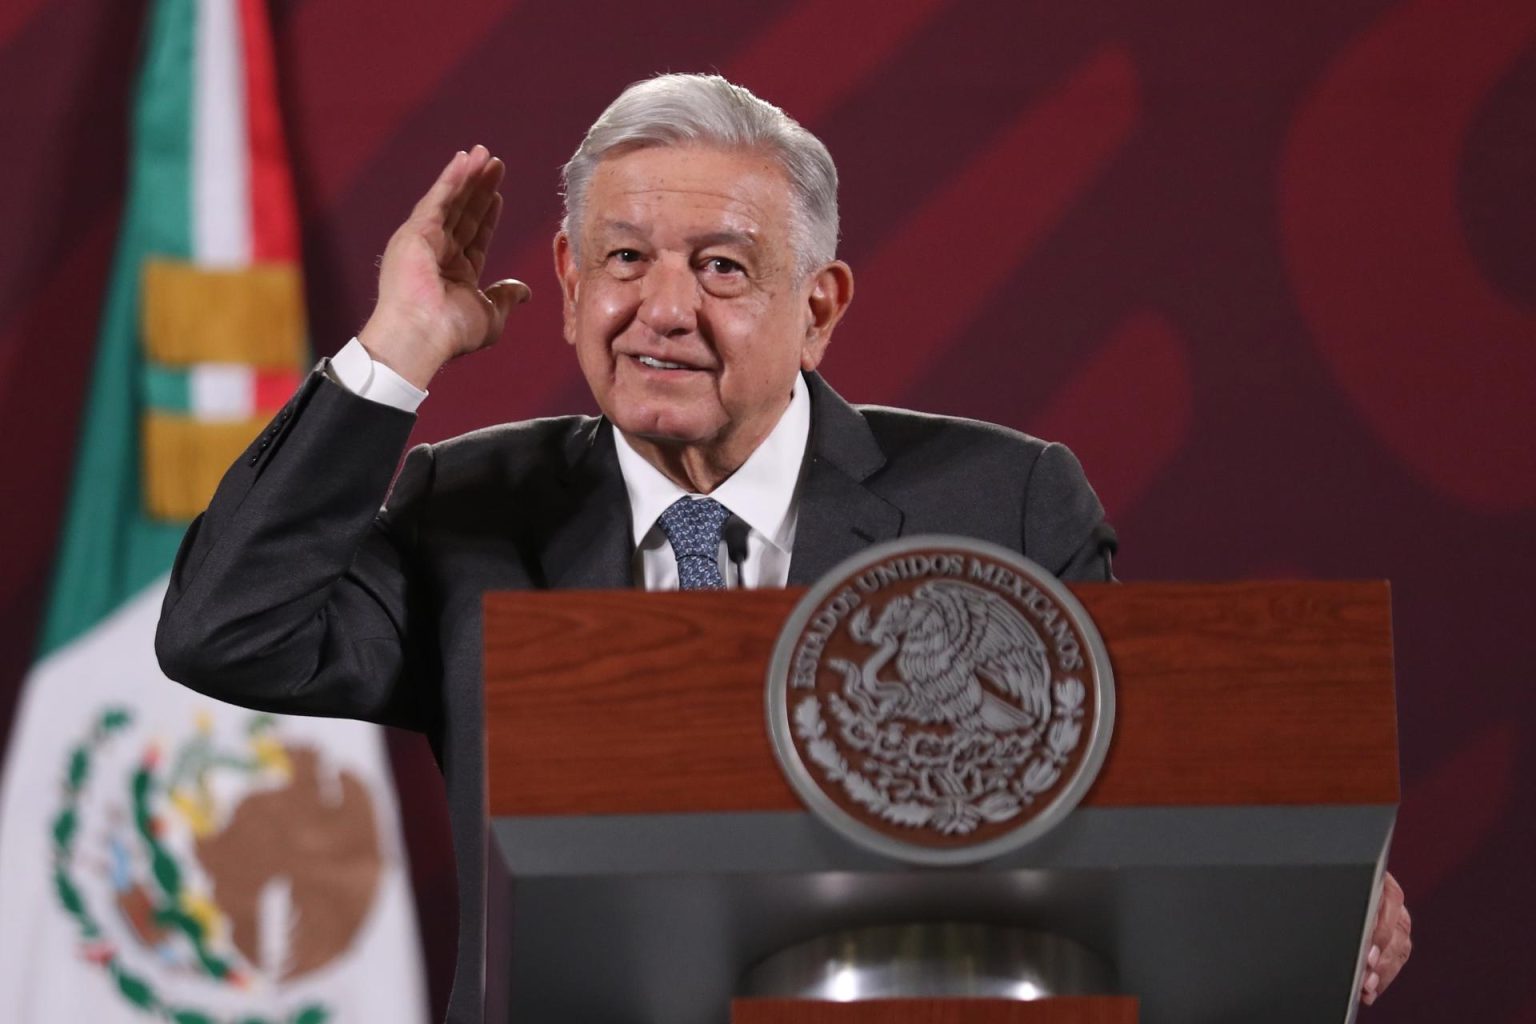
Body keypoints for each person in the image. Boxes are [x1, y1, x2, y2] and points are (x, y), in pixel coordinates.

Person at [155, 73, 1408, 1020]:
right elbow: (228, 627)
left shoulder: (1004, 500)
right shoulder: (471, 506)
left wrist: (1325, 899)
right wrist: (398, 352)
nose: (664, 309)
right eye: (625, 260)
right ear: (567, 278)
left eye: (722, 267)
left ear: (820, 307)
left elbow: (1127, 803)